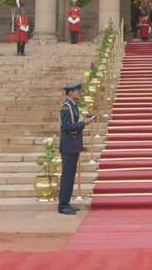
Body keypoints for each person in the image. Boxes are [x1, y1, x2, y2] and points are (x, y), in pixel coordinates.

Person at [58, 82, 94, 215]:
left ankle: (66, 202)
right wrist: (83, 123)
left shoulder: (73, 106)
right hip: (68, 147)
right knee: (67, 176)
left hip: (72, 146)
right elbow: (67, 127)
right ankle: (63, 205)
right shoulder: (66, 108)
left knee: (70, 176)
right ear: (71, 93)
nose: (79, 93)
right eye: (77, 91)